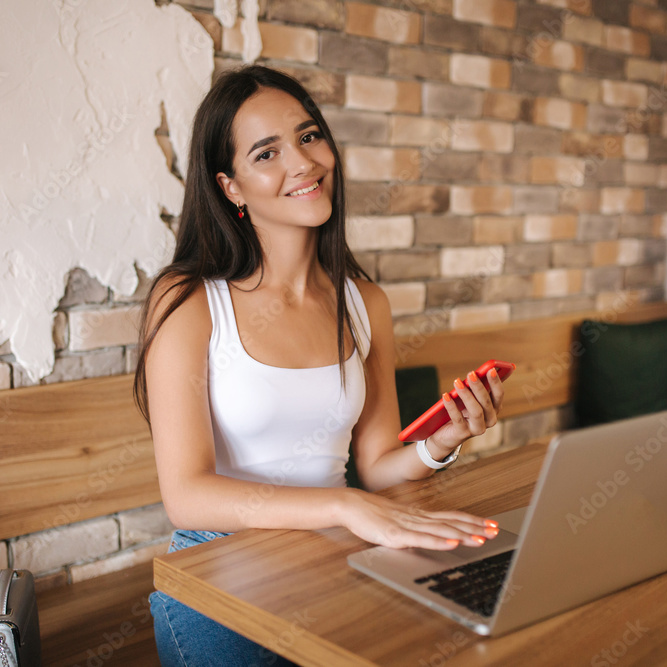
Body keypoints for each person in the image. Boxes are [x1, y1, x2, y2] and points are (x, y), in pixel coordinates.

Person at [134, 65, 505, 667]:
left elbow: (379, 468)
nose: (303, 163)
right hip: (219, 566)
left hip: (339, 552)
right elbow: (187, 495)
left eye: (309, 137)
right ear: (231, 188)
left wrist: (444, 440)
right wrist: (345, 506)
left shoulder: (365, 304)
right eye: (267, 153)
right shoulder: (189, 301)